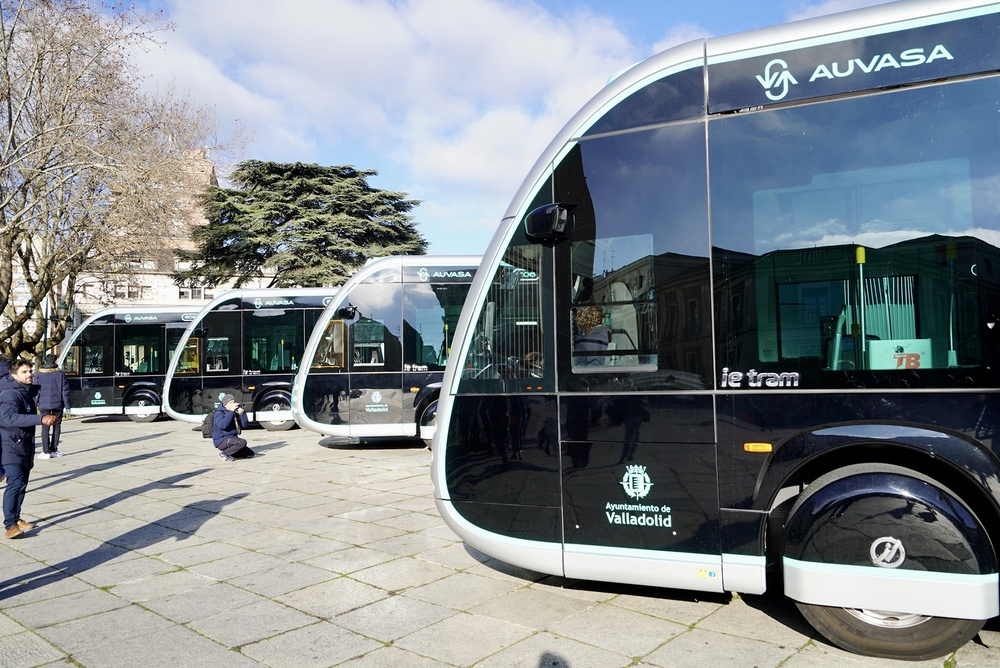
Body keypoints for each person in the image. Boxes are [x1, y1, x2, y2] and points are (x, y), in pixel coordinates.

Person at [0, 359, 59, 538]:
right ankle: (10, 525)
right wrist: (40, 419)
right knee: (15, 483)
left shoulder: (25, 393)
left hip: (24, 445)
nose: (30, 374)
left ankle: (16, 518)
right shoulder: (10, 394)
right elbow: (9, 418)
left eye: (30, 371)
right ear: (13, 375)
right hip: (10, 446)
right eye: (24, 372)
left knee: (22, 484)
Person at [35, 354, 71, 458]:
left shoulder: (39, 374)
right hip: (58, 403)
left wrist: (35, 403)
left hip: (43, 404)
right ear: (55, 361)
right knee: (57, 426)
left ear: (45, 361)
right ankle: (54, 449)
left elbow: (36, 390)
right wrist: (67, 405)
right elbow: (65, 391)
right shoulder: (60, 374)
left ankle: (45, 451)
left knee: (45, 427)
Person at [212, 394, 253, 461]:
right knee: (242, 442)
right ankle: (224, 453)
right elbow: (223, 425)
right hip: (221, 440)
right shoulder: (219, 413)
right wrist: (231, 411)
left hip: (232, 438)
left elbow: (245, 425)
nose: (232, 404)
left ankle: (231, 452)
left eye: (233, 402)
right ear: (225, 404)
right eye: (230, 403)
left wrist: (242, 414)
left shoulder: (234, 412)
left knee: (250, 454)